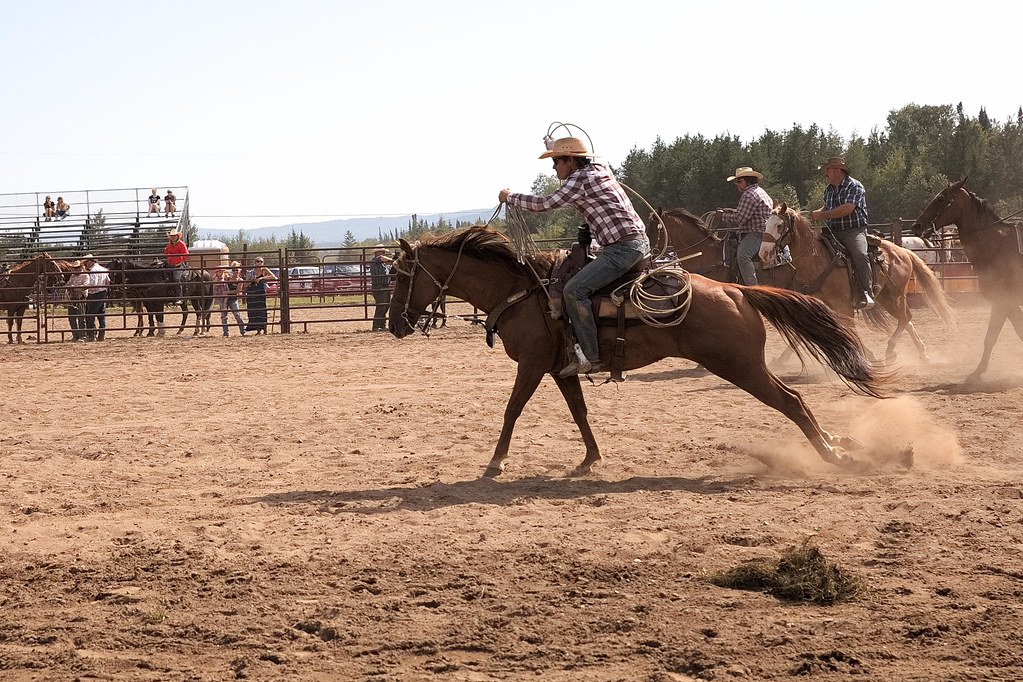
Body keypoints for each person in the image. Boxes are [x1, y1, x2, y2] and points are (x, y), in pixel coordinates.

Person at [500, 135, 650, 377]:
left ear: (570, 160)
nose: (553, 166)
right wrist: (553, 147)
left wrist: (510, 197)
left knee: (574, 290)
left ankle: (591, 356)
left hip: (621, 250)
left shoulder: (579, 180)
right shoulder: (598, 169)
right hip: (632, 244)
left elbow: (545, 203)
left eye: (557, 160)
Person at [810, 156, 873, 310]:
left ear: (837, 170)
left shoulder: (855, 186)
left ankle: (866, 291)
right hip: (832, 231)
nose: (825, 173)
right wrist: (812, 214)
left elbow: (847, 208)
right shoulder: (829, 189)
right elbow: (827, 207)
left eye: (828, 169)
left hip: (853, 231)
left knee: (859, 254)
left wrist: (822, 215)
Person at [715, 167, 774, 286]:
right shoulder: (760, 191)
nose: (737, 184)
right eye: (736, 181)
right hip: (764, 231)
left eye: (739, 181)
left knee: (743, 255)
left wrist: (723, 216)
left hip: (757, 233)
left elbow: (740, 219)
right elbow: (744, 213)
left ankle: (753, 288)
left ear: (748, 180)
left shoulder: (748, 195)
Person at [244, 257, 276, 334]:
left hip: (261, 293)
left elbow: (273, 276)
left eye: (261, 262)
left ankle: (264, 329)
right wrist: (251, 280)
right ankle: (257, 329)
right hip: (252, 293)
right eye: (258, 261)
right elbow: (245, 285)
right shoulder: (251, 272)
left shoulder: (264, 270)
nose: (259, 263)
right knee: (253, 312)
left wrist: (262, 278)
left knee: (262, 310)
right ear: (255, 263)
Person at [82, 255, 109, 341]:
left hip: (95, 294)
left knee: (90, 314)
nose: (85, 265)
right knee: (101, 314)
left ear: (90, 261)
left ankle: (91, 335)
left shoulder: (93, 270)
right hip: (103, 293)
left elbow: (93, 283)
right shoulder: (103, 269)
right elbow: (107, 281)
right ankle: (101, 334)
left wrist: (83, 287)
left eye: (85, 262)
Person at [214, 262, 246, 336]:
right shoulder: (227, 278)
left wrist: (227, 292)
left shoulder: (240, 280)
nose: (235, 272)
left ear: (239, 270)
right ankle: (226, 332)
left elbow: (238, 290)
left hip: (233, 299)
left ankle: (243, 330)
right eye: (234, 270)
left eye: (236, 270)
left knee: (237, 314)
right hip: (224, 298)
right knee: (224, 316)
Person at [369, 245, 394, 331]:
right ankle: (376, 325)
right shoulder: (375, 260)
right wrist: (393, 260)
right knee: (381, 306)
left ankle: (382, 325)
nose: (384, 253)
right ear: (377, 253)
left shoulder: (383, 264)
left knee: (386, 305)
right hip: (378, 286)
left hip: (385, 286)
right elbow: (382, 258)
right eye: (382, 251)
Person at [65, 260, 90, 341]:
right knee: (71, 317)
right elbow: (68, 285)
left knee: (81, 317)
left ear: (81, 267)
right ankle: (75, 335)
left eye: (78, 268)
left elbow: (85, 286)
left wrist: (74, 288)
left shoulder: (85, 275)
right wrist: (70, 288)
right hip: (72, 298)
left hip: (80, 297)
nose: (76, 269)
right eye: (75, 268)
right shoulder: (73, 276)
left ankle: (83, 335)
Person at [164, 228, 189, 303]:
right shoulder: (169, 245)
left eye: (174, 236)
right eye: (171, 236)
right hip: (170, 264)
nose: (173, 237)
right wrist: (169, 258)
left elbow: (186, 254)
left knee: (176, 278)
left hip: (178, 264)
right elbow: (166, 253)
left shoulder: (181, 244)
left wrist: (180, 261)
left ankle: (179, 296)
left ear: (177, 236)